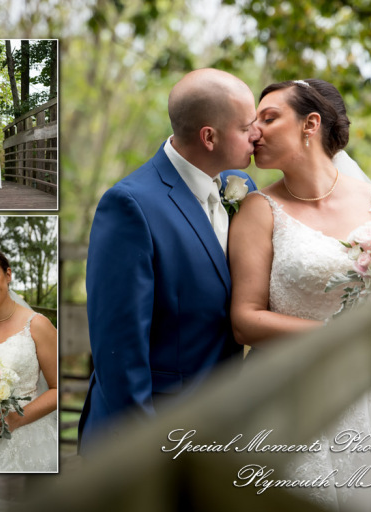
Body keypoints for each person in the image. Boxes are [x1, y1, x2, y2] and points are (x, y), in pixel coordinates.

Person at [229, 78, 371, 511]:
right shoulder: (259, 211)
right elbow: (245, 319)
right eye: (254, 121)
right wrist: (339, 335)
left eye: (269, 118)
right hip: (291, 395)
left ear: (310, 124)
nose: (254, 131)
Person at [78, 68, 260, 455]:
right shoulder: (130, 205)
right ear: (209, 137)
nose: (257, 134)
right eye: (247, 127)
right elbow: (120, 353)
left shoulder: (242, 190)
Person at [0, 250, 57, 472]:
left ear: (8, 275)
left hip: (28, 437)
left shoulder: (37, 324)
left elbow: (58, 389)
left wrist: (16, 419)